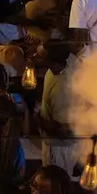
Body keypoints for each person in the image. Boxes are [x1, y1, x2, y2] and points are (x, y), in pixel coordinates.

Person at [36, 40, 82, 176]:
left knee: (56, 179)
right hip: (60, 144)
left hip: (59, 148)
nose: (34, 57)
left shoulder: (62, 90)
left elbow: (63, 130)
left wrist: (37, 119)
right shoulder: (70, 60)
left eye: (40, 56)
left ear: (52, 62)